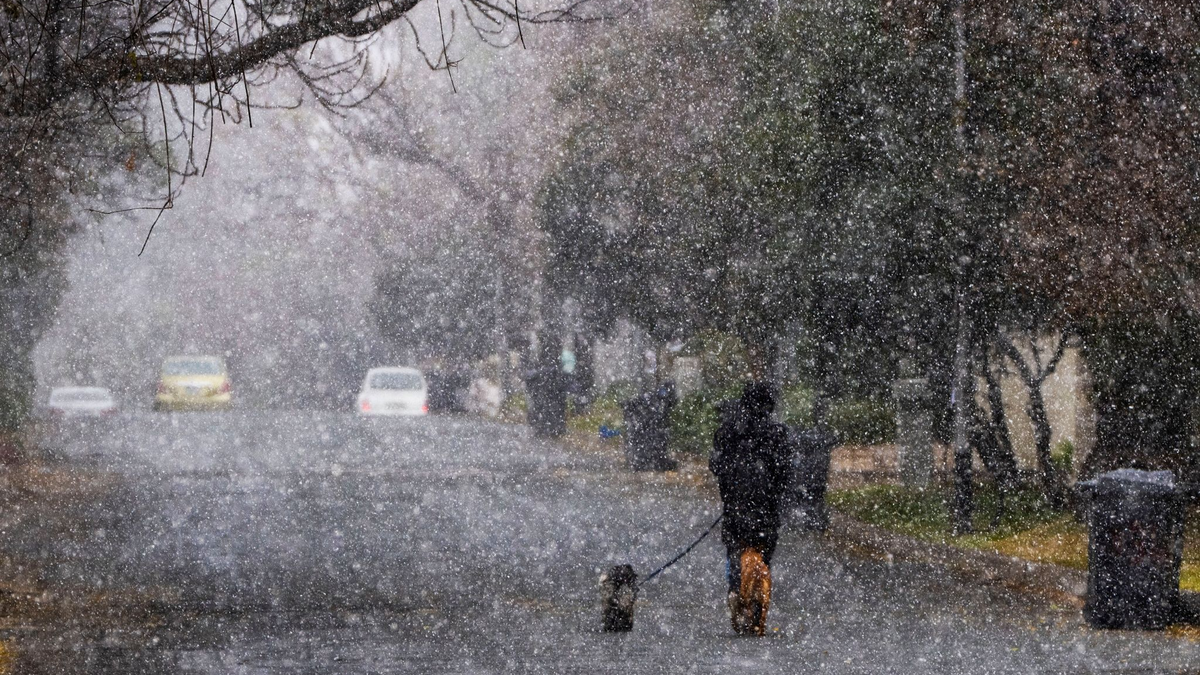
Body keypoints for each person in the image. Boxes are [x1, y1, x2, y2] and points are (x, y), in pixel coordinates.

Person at [710, 381, 793, 634]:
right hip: (766, 509)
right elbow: (785, 473)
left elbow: (717, 466)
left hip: (736, 506)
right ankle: (759, 589)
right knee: (763, 551)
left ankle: (735, 589)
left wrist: (731, 491)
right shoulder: (777, 434)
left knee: (735, 549)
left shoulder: (729, 431)